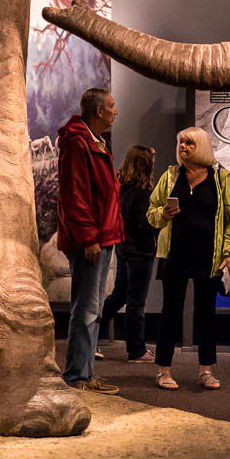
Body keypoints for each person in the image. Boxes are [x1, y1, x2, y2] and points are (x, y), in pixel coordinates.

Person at [148, 127, 230, 391]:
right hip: (174, 256)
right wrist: (163, 214)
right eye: (180, 142)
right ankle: (163, 370)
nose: (183, 147)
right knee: (170, 313)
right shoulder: (170, 176)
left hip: (209, 258)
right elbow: (151, 212)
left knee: (206, 315)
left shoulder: (221, 179)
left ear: (201, 146)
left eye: (189, 143)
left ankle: (206, 371)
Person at [57, 88, 123, 394]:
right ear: (98, 112)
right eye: (111, 107)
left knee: (93, 310)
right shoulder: (77, 142)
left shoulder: (97, 142)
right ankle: (76, 376)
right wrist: (88, 237)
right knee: (85, 310)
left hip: (104, 236)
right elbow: (76, 194)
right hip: (92, 240)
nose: (115, 111)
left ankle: (86, 374)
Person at [100, 145, 157, 362]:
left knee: (119, 296)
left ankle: (92, 334)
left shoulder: (120, 187)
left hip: (123, 248)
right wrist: (162, 221)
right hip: (141, 251)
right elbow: (144, 225)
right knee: (136, 301)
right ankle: (136, 350)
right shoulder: (143, 192)